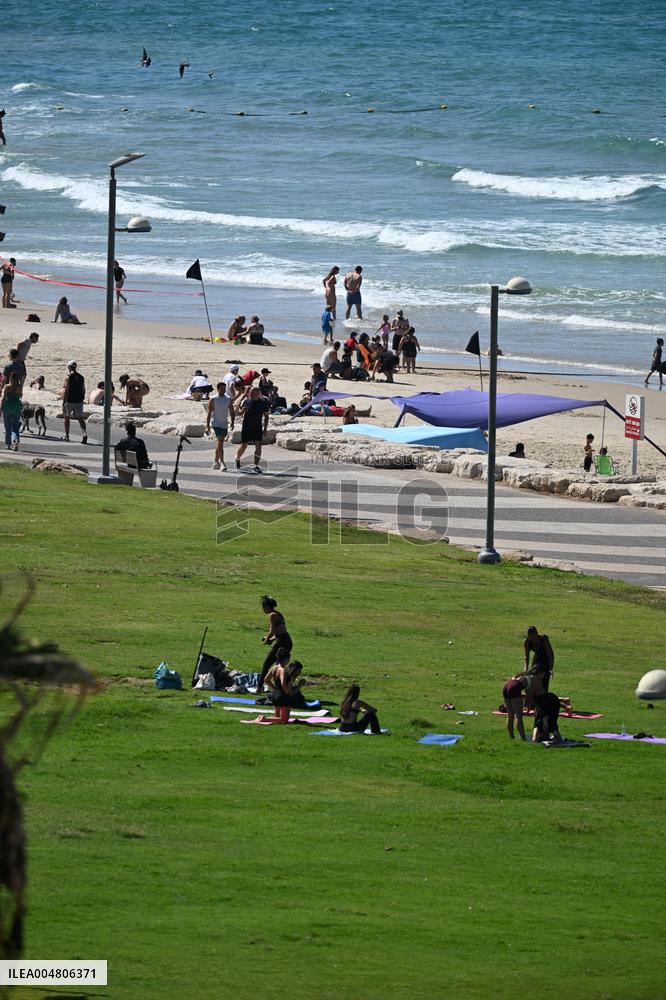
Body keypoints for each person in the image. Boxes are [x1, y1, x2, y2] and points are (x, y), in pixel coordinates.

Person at [257, 595, 293, 692]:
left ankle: (259, 687)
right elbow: (280, 631)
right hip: (286, 641)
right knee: (279, 666)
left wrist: (266, 640)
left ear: (267, 607)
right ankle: (282, 688)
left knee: (266, 664)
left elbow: (272, 631)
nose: (263, 609)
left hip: (282, 642)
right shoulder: (279, 614)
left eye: (263, 607)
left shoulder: (272, 615)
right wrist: (272, 640)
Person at [235, 387, 269, 473]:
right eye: (251, 393)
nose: (252, 394)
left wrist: (265, 428)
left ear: (258, 393)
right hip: (247, 426)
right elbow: (240, 413)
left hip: (257, 427)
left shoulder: (263, 403)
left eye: (254, 393)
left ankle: (256, 465)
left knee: (258, 446)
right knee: (244, 446)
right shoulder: (247, 402)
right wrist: (238, 406)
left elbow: (266, 416)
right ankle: (237, 458)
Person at [263, 653, 305, 723]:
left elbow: (266, 680)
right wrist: (288, 692)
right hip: (282, 697)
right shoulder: (283, 670)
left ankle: (264, 718)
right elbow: (283, 683)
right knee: (284, 720)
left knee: (277, 718)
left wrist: (275, 688)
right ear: (286, 659)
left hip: (275, 694)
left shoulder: (274, 668)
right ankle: (264, 719)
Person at [206, 381, 234, 471]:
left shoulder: (228, 399)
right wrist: (207, 426)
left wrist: (232, 422)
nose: (222, 390)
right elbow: (209, 413)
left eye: (224, 388)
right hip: (216, 423)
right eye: (221, 388)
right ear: (218, 389)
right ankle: (222, 463)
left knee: (220, 443)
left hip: (224, 423)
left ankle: (215, 462)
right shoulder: (213, 399)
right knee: (220, 441)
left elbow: (232, 411)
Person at [62, 361, 87, 444]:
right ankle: (84, 433)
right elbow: (83, 389)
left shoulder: (68, 377)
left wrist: (63, 402)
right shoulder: (81, 377)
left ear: (69, 367)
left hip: (69, 400)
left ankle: (67, 436)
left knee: (67, 417)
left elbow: (66, 390)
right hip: (79, 400)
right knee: (80, 418)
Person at [524, 627, 554, 692]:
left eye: (533, 636)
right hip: (537, 658)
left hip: (546, 660)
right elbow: (526, 657)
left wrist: (551, 668)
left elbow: (550, 654)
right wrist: (526, 670)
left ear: (537, 634)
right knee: (533, 676)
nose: (532, 638)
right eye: (530, 636)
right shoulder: (527, 642)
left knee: (544, 681)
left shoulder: (544, 639)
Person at [502, 674, 528, 740]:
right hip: (514, 690)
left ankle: (512, 737)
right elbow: (528, 696)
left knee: (510, 716)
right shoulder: (522, 683)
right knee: (518, 717)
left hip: (505, 688)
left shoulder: (513, 680)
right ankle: (523, 738)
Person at [1, 372, 22, 451]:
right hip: (16, 407)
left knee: (8, 427)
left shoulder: (7, 387)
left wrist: (1, 408)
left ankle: (8, 444)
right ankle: (16, 440)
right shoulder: (20, 387)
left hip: (8, 407)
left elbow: (3, 398)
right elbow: (20, 396)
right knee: (15, 426)